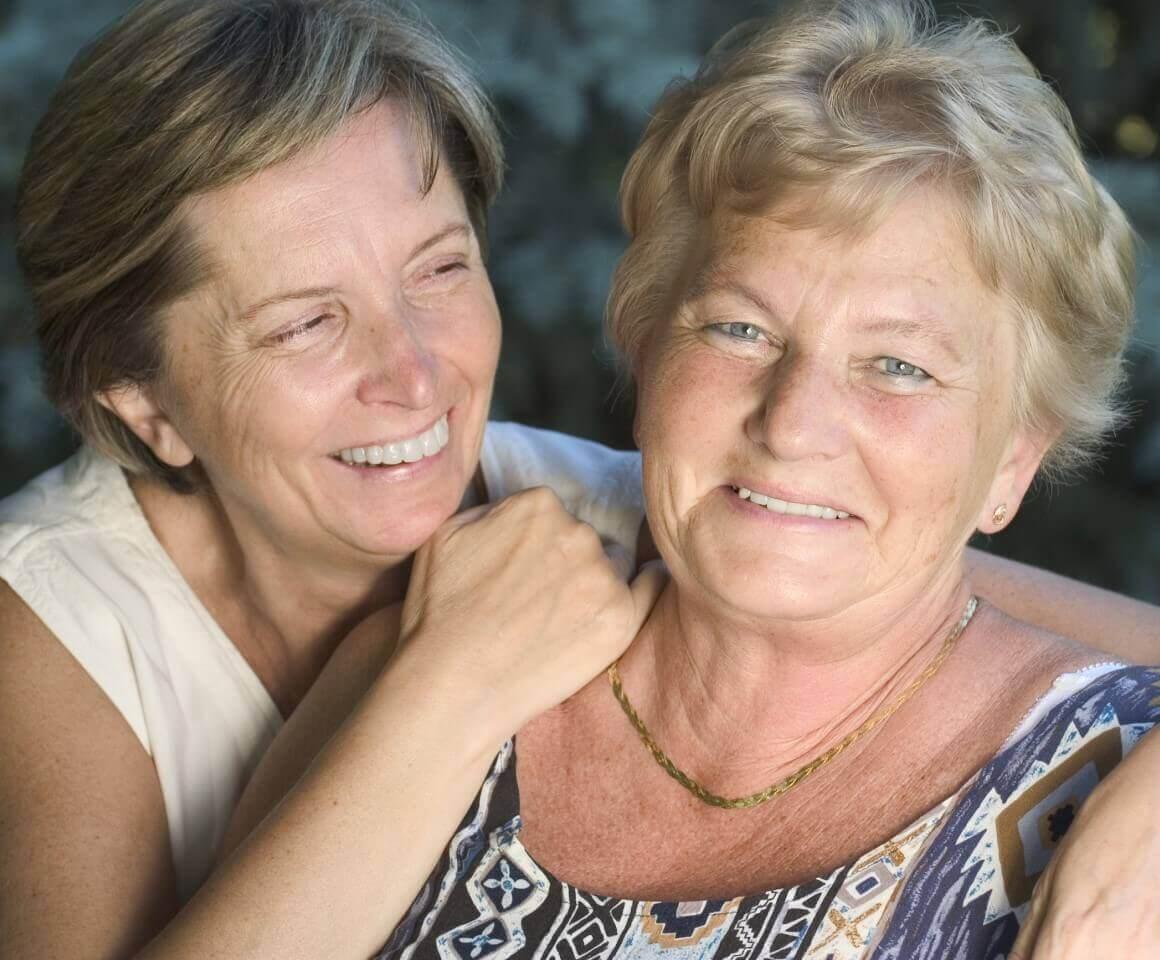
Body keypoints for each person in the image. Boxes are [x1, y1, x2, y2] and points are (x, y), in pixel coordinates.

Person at [0, 0, 1155, 958]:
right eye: (739, 332)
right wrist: (434, 686)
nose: (413, 376)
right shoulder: (95, 629)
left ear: (1014, 459)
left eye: (439, 268)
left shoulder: (576, 506)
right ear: (644, 349)